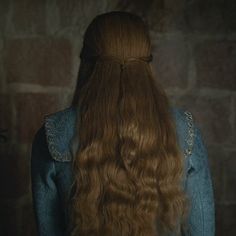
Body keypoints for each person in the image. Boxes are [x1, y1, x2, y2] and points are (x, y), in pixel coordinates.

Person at [30, 11, 215, 236]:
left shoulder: (53, 134)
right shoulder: (186, 131)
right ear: (147, 63)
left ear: (87, 63)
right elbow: (202, 230)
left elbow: (48, 231)